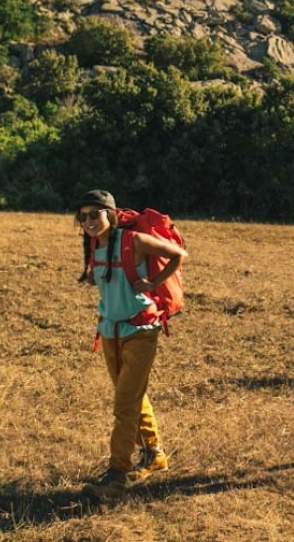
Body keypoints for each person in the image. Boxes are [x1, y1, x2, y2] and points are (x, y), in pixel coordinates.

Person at [73, 189, 189, 499]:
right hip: (110, 332)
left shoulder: (132, 241)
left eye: (94, 214)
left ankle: (117, 475)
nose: (88, 221)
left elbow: (179, 255)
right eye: (83, 216)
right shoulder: (94, 245)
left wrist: (152, 282)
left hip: (141, 330)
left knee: (124, 405)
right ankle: (154, 454)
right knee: (133, 396)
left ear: (109, 214)